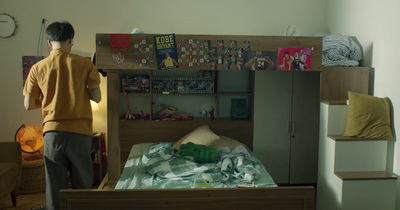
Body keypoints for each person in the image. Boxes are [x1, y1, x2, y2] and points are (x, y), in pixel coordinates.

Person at [23, 21, 101, 210]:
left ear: (49, 43)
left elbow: (28, 105)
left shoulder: (37, 68)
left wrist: (52, 100)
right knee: (82, 181)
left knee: (55, 184)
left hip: (52, 133)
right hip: (80, 132)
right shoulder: (85, 64)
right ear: (71, 39)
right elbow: (97, 97)